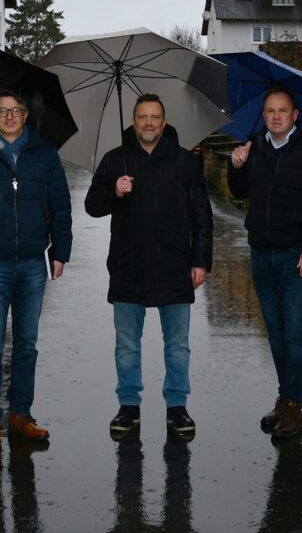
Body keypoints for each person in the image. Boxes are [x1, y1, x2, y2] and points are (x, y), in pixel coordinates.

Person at [85, 93, 213, 441]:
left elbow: (202, 213)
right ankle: (128, 405)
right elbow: (92, 206)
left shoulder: (185, 162)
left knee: (178, 345)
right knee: (127, 344)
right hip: (128, 265)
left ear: (164, 121)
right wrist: (115, 191)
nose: (149, 123)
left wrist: (201, 260)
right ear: (133, 121)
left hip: (175, 265)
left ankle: (177, 406)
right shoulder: (116, 160)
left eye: (155, 117)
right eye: (142, 117)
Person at [0, 90, 72, 452]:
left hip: (31, 263)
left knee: (26, 345)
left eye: (16, 110)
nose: (9, 116)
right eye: (2, 110)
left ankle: (21, 414)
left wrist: (61, 250)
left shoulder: (44, 153)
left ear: (25, 114)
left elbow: (59, 203)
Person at [227, 87, 302, 439]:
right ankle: (286, 398)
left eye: (282, 111)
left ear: (295, 115)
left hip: (297, 256)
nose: (275, 116)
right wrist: (236, 167)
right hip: (262, 252)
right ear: (263, 115)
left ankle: (293, 406)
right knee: (275, 332)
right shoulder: (255, 146)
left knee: (295, 331)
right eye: (270, 111)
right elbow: (239, 193)